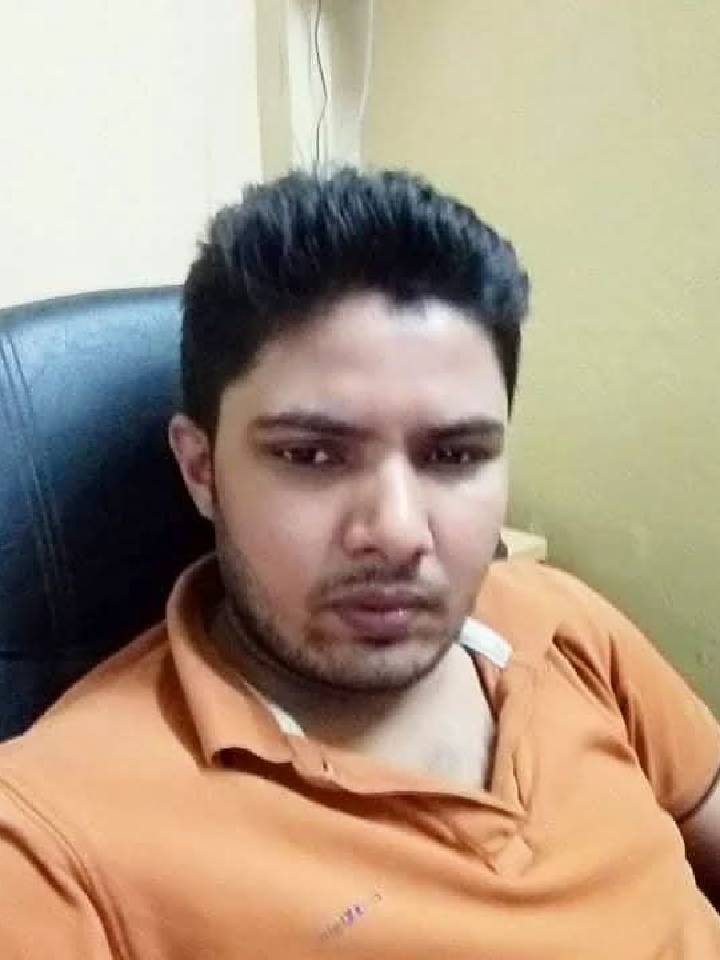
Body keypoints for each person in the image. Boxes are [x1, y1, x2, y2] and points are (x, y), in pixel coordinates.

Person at [0, 168, 718, 959]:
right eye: (312, 455)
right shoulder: (51, 846)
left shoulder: (563, 624)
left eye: (454, 455)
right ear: (201, 469)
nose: (399, 533)